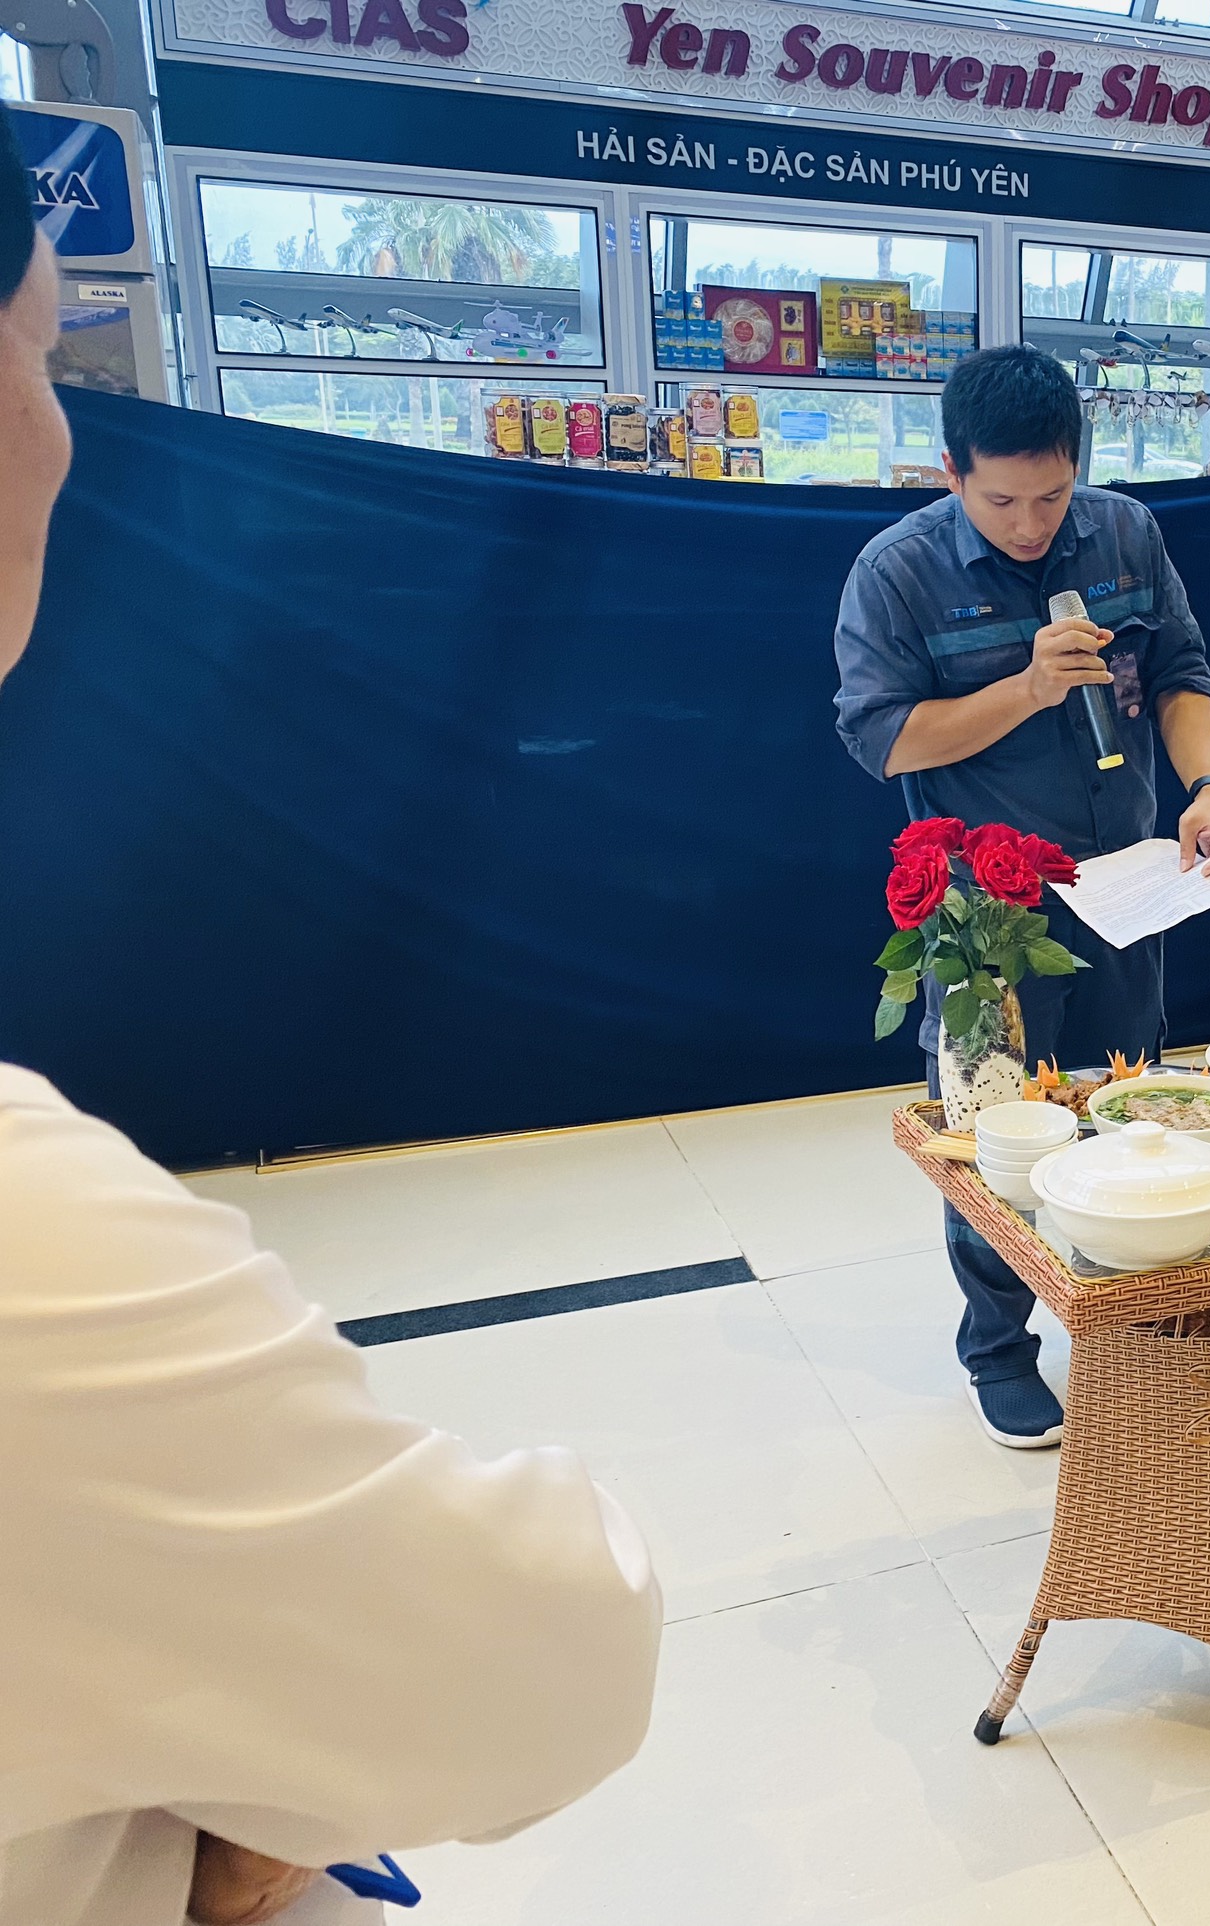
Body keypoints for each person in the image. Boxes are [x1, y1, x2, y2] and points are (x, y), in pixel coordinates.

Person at [0, 117, 664, 1926]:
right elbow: (533, 1657)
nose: (68, 427)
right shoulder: (40, 1246)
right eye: (48, 354)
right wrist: (264, 1795)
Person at [834, 345, 1210, 1450]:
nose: (1030, 523)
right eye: (1003, 501)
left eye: (1052, 497)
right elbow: (884, 740)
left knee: (1126, 1109)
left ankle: (1129, 1320)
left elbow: (1184, 674)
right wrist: (1027, 686)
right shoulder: (896, 571)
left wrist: (1208, 789)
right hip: (987, 919)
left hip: (1123, 886)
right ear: (952, 473)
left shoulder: (1126, 534)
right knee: (996, 1131)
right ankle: (1000, 1349)